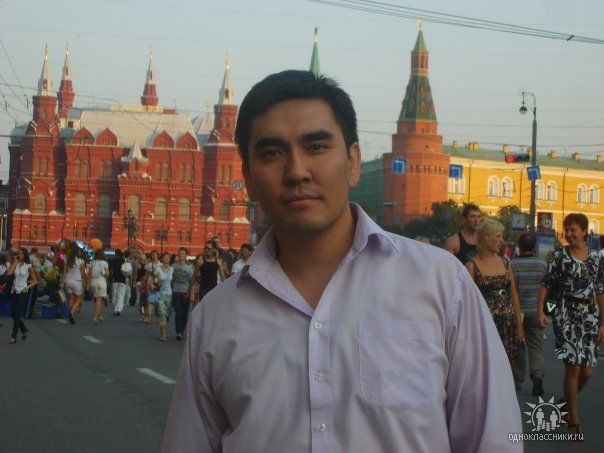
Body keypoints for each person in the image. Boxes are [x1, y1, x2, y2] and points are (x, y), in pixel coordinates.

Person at [162, 70, 522, 452]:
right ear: (248, 178)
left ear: (353, 162)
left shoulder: (441, 284)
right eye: (271, 153)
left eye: (316, 147)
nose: (297, 172)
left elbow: (493, 439)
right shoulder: (216, 317)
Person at [537, 213, 604, 436]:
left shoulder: (596, 257)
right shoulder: (558, 256)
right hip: (564, 314)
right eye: (566, 230)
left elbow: (600, 290)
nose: (569, 234)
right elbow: (545, 284)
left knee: (588, 371)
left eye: (573, 230)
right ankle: (573, 419)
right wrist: (541, 311)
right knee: (573, 367)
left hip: (590, 316)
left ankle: (564, 403)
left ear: (584, 231)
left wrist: (603, 322)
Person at [465, 220, 525, 361]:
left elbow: (514, 295)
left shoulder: (505, 263)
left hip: (508, 323)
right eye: (498, 236)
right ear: (486, 238)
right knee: (488, 362)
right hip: (485, 324)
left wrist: (519, 326)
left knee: (508, 364)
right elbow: (468, 303)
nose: (502, 241)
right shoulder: (471, 266)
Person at [511, 232, 547, 396]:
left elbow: (510, 291)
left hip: (517, 313)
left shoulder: (512, 265)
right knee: (536, 346)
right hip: (536, 312)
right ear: (534, 247)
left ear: (519, 246)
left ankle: (517, 380)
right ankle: (537, 375)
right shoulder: (542, 265)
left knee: (518, 347)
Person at [6, 247, 37, 343]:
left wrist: (27, 288)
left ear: (25, 255)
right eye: (18, 253)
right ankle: (23, 329)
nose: (19, 255)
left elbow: (35, 281)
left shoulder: (29, 266)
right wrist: (15, 262)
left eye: (21, 253)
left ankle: (13, 336)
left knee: (17, 313)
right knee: (12, 313)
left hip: (23, 291)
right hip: (14, 290)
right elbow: (9, 273)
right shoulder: (16, 264)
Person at [190, 242, 227, 306]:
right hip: (203, 290)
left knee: (213, 308)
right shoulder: (201, 261)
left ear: (214, 249)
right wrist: (192, 293)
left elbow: (223, 278)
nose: (207, 250)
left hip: (214, 289)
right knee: (204, 308)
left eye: (209, 248)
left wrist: (225, 290)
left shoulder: (218, 261)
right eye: (205, 248)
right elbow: (194, 277)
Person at [171, 247, 193, 341]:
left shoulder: (189, 268)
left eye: (182, 253)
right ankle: (178, 332)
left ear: (186, 255)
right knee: (178, 312)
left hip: (185, 292)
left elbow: (191, 282)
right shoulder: (173, 266)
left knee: (184, 313)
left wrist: (189, 293)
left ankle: (182, 329)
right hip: (176, 291)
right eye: (179, 253)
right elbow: (171, 279)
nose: (180, 254)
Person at [61, 245, 86, 324]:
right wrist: (85, 281)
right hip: (77, 281)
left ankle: (72, 314)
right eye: (79, 251)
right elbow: (83, 273)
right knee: (79, 299)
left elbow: (64, 272)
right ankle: (71, 313)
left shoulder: (67, 260)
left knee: (71, 298)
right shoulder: (81, 261)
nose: (80, 252)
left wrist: (62, 282)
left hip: (68, 281)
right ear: (77, 252)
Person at [154, 252, 173, 341]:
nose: (167, 258)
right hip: (160, 294)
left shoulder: (172, 269)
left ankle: (161, 328)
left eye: (168, 257)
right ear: (162, 259)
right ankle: (163, 334)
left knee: (167, 315)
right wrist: (154, 284)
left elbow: (172, 282)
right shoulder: (157, 269)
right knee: (161, 313)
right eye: (166, 257)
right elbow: (153, 279)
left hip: (169, 294)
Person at [89, 249, 109, 325]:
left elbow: (90, 273)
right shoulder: (105, 263)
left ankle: (100, 315)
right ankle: (95, 317)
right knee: (99, 300)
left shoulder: (92, 262)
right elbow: (107, 274)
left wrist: (88, 283)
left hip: (93, 282)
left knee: (97, 299)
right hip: (101, 281)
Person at [109, 249, 127, 317]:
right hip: (122, 280)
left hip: (115, 280)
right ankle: (118, 310)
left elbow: (110, 270)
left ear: (115, 254)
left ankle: (116, 308)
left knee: (115, 295)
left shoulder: (113, 261)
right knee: (121, 296)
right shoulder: (124, 261)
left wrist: (110, 278)